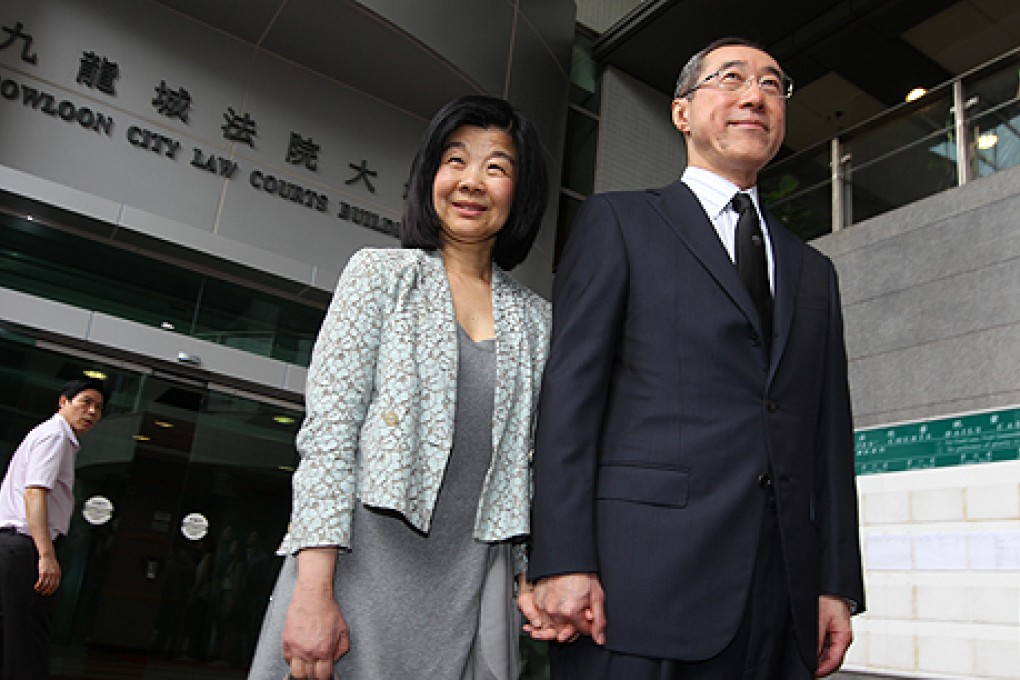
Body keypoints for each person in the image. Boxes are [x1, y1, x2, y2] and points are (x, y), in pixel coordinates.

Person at [525, 37, 866, 679]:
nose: (754, 96)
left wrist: (835, 584)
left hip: (780, 599)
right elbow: (570, 402)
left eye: (772, 85)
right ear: (682, 111)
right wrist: (561, 558)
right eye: (731, 78)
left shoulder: (813, 270)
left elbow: (828, 438)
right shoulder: (618, 223)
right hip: (638, 591)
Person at [248, 94, 551, 680]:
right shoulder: (379, 276)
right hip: (355, 572)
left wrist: (527, 577)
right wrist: (313, 590)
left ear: (521, 191)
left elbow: (531, 470)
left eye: (497, 167)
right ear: (431, 174)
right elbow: (329, 438)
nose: (471, 181)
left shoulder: (537, 321)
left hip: (469, 585)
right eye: (455, 160)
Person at [0, 377, 108, 679]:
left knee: (14, 635)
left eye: (98, 408)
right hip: (25, 547)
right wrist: (45, 554)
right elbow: (35, 492)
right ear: (64, 402)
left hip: (13, 545)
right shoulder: (56, 437)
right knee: (26, 639)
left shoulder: (48, 435)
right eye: (85, 402)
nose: (91, 412)